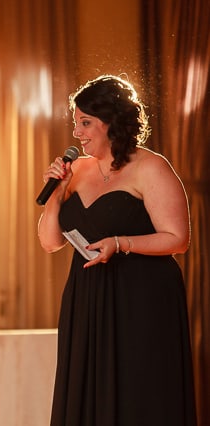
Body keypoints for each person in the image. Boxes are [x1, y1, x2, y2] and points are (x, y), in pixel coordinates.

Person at [37, 75, 195, 425]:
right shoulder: (75, 170)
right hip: (87, 296)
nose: (77, 132)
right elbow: (50, 243)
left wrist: (120, 243)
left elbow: (177, 238)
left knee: (139, 393)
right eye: (75, 122)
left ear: (112, 122)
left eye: (86, 122)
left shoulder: (151, 167)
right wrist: (55, 197)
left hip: (140, 297)